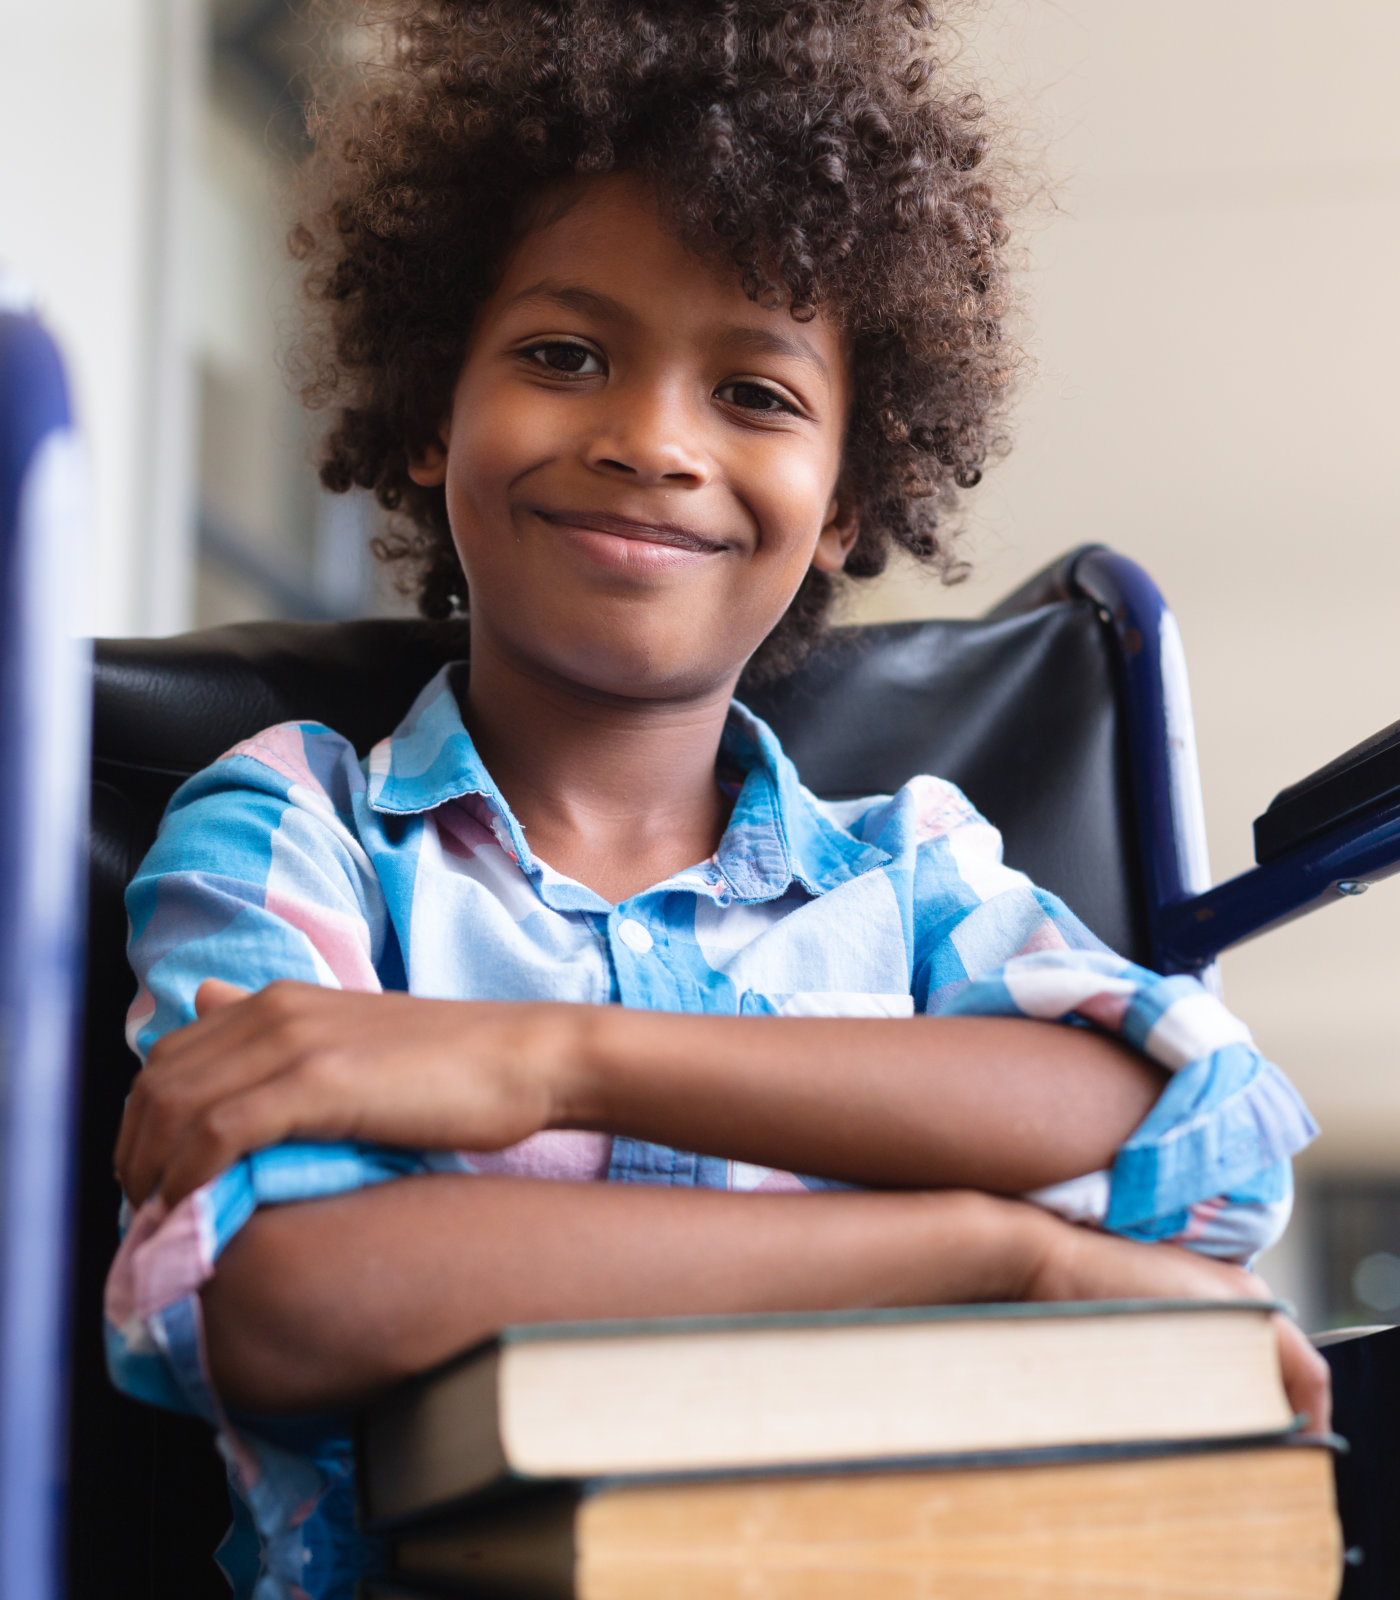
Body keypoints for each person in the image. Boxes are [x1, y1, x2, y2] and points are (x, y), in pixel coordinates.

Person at [105, 2, 1330, 1594]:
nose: (650, 441)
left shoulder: (912, 878)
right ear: (430, 412)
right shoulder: (291, 835)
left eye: (755, 394)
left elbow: (1204, 1135)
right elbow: (278, 1298)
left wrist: (545, 1058)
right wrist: (988, 1250)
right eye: (564, 355)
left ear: (845, 506)